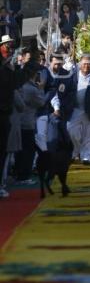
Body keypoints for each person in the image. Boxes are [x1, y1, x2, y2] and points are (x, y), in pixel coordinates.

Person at [0, 35, 26, 198]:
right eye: (6, 44)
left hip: (7, 114)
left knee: (5, 152)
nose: (9, 47)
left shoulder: (9, 65)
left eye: (10, 45)